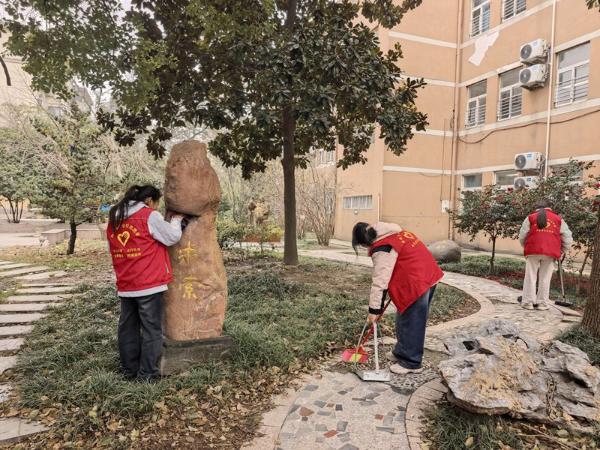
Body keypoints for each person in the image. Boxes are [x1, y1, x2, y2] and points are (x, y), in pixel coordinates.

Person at [107, 185, 183, 381]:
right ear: (149, 200)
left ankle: (129, 370)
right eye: (156, 203)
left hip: (126, 283)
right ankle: (147, 374)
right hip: (148, 283)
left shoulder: (115, 217)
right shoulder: (148, 215)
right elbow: (171, 237)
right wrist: (176, 221)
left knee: (128, 328)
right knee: (151, 330)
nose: (156, 208)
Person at [352, 222, 443, 375]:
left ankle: (411, 362)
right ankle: (401, 351)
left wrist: (374, 311)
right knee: (403, 317)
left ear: (364, 242)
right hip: (428, 274)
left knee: (413, 321)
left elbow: (380, 281)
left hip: (416, 282)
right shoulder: (394, 233)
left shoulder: (383, 247)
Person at [518, 200, 572, 311]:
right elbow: (567, 238)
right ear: (550, 208)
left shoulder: (530, 217)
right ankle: (542, 304)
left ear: (537, 207)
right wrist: (562, 250)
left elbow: (522, 236)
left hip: (532, 250)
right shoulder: (558, 219)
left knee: (530, 276)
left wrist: (527, 247)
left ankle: (528, 303)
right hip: (550, 252)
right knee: (545, 278)